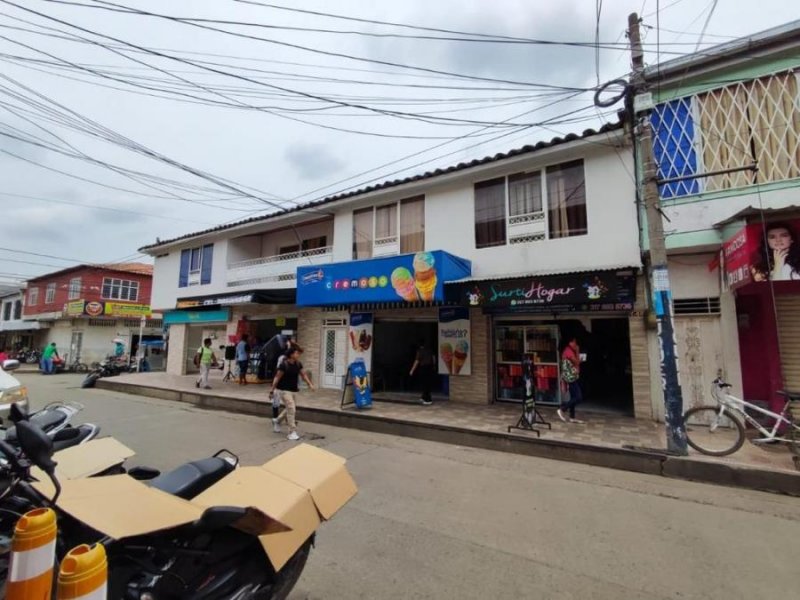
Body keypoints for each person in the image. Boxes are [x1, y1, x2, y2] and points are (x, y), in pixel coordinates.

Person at [270, 346, 314, 441]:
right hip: (283, 390)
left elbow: (303, 374)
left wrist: (310, 384)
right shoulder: (284, 365)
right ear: (291, 354)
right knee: (291, 408)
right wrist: (272, 390)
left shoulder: (298, 364)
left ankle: (277, 421)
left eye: (298, 353)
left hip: (293, 390)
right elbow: (277, 378)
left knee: (289, 408)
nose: (298, 355)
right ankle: (292, 432)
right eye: (296, 353)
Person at [557, 337, 584, 424]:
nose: (576, 345)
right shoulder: (568, 351)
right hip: (571, 377)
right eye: (575, 343)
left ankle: (572, 417)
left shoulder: (567, 351)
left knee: (573, 397)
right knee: (578, 397)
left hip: (572, 376)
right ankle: (562, 409)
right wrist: (577, 351)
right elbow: (576, 362)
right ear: (570, 343)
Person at [409, 340, 435, 406]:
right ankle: (423, 397)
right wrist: (434, 366)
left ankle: (428, 399)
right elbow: (433, 358)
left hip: (423, 368)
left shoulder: (420, 351)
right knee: (428, 383)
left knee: (424, 383)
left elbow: (417, 361)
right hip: (430, 367)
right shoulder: (429, 350)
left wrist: (412, 370)